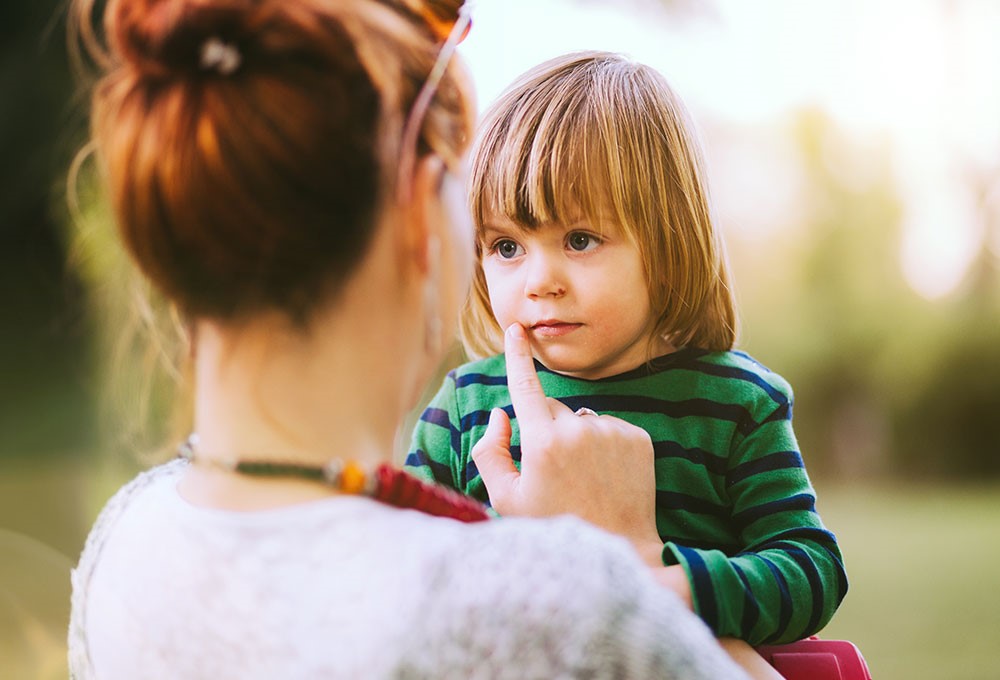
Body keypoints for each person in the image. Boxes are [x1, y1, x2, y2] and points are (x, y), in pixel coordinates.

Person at [66, 0, 755, 678]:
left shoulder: (122, 543)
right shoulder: (556, 609)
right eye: (501, 239)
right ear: (425, 210)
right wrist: (627, 555)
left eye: (578, 239)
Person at [405, 50, 848, 647]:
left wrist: (672, 588)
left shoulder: (736, 402)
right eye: (506, 247)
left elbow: (811, 570)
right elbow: (403, 556)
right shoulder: (465, 406)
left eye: (580, 239)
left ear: (667, 243)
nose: (539, 280)